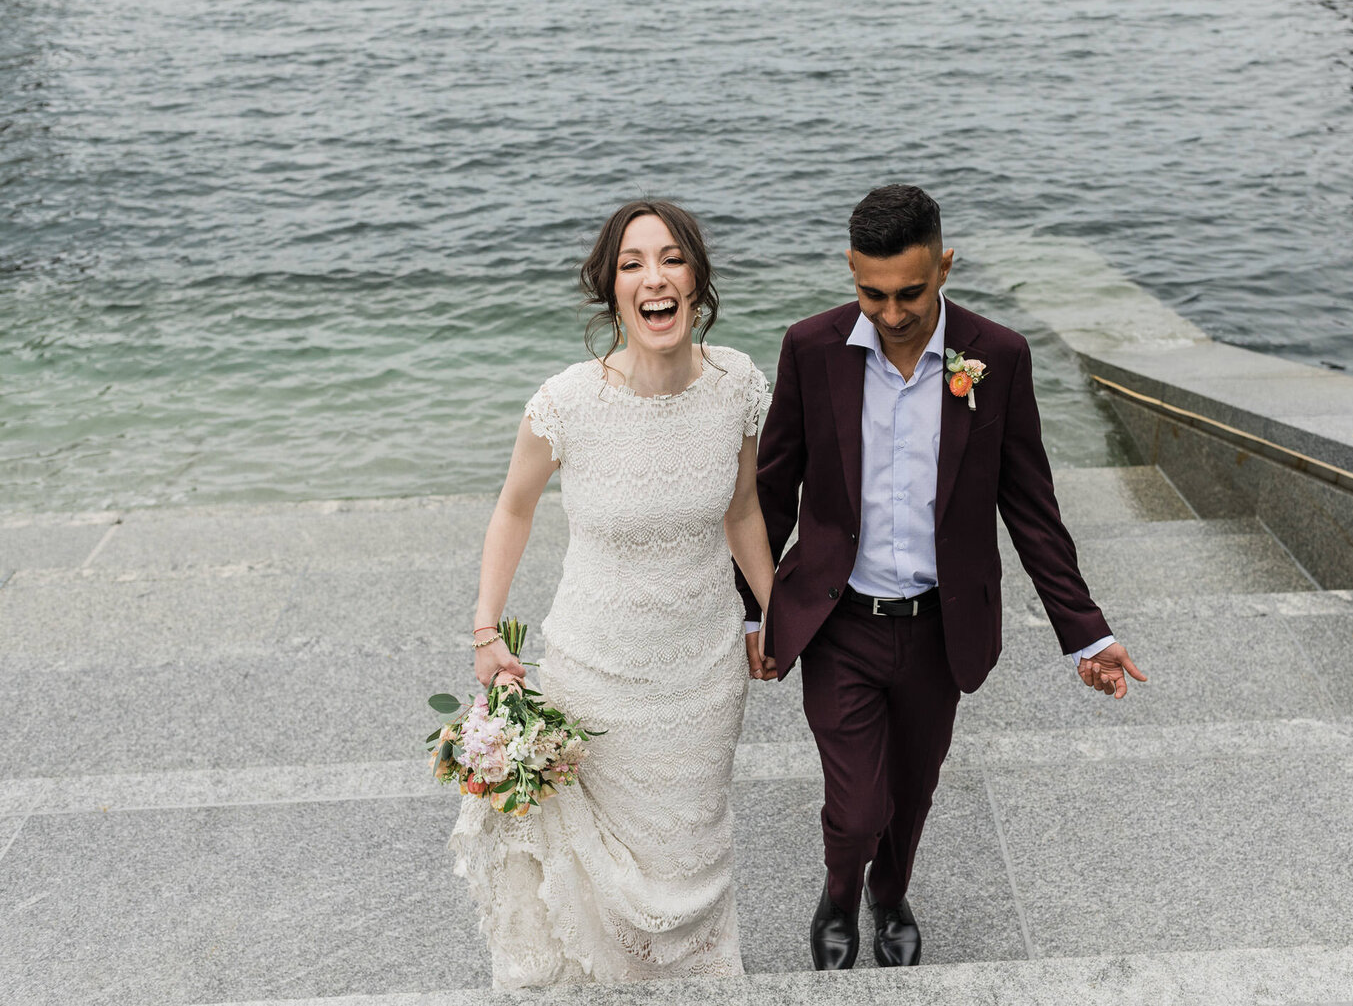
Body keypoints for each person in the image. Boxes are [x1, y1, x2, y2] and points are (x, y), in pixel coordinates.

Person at [737, 184, 1146, 971]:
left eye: (911, 293)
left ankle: (890, 894)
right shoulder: (810, 348)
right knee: (858, 806)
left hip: (939, 627)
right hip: (839, 622)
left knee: (914, 792)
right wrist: (752, 611)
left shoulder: (1000, 356)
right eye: (871, 292)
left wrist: (1087, 632)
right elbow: (770, 492)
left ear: (945, 264)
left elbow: (1031, 509)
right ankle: (838, 888)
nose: (890, 313)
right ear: (851, 273)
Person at [450, 200, 777, 987]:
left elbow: (742, 511)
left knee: (691, 859)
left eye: (670, 259)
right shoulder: (566, 403)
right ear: (612, 288)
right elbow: (514, 507)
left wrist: (773, 613)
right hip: (594, 676)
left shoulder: (737, 385)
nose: (653, 277)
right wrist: (485, 627)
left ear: (696, 278)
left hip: (700, 678)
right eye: (632, 263)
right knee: (589, 885)